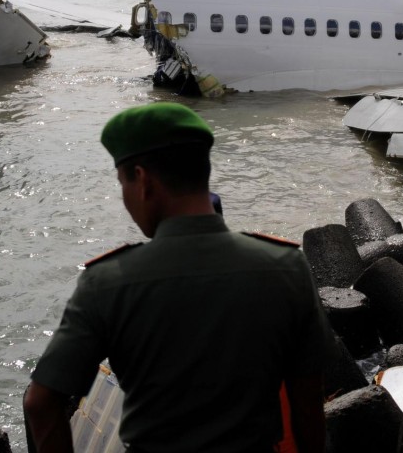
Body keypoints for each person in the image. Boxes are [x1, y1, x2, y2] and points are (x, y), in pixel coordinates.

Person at [24, 102, 327, 453]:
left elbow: (40, 403)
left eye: (122, 182)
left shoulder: (106, 282)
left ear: (143, 180)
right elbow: (308, 398)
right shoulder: (286, 266)